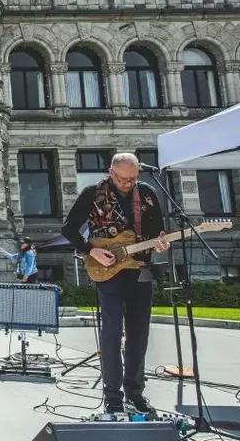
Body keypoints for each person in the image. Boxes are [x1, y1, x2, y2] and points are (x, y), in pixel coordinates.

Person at [61, 152, 170, 415]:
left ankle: (135, 392)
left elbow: (158, 230)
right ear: (111, 172)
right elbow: (69, 229)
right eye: (122, 179)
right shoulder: (93, 193)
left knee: (139, 335)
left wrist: (161, 242)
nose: (127, 184)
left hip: (140, 270)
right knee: (111, 334)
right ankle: (113, 396)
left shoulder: (147, 193)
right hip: (108, 271)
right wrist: (90, 250)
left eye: (132, 179)